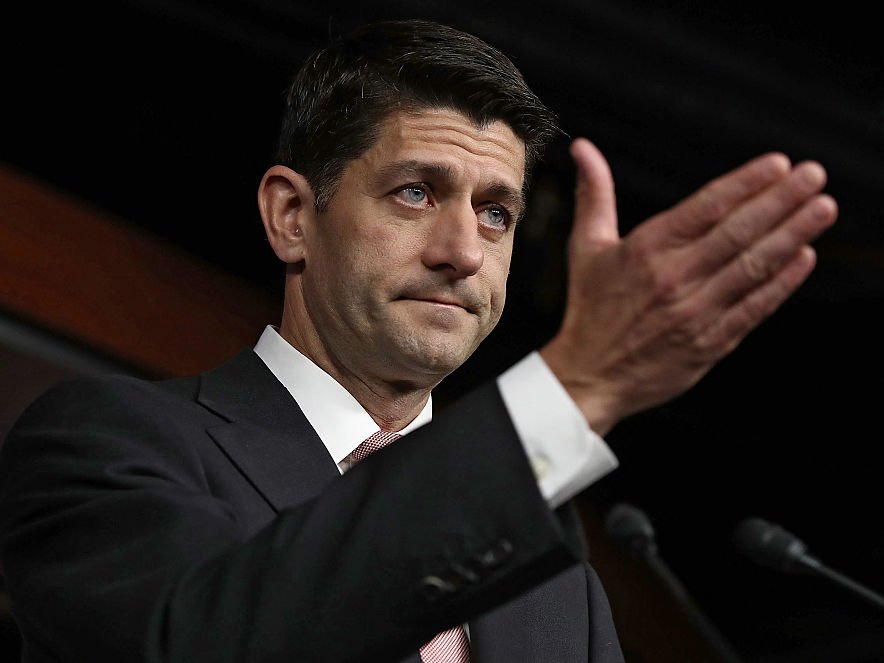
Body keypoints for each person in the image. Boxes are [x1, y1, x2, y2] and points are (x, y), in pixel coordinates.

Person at [0, 18, 836, 663]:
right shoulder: (108, 443)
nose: (463, 251)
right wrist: (573, 387)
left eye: (496, 212)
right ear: (293, 216)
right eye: (413, 192)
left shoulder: (560, 589)